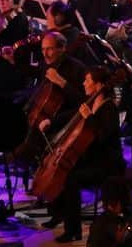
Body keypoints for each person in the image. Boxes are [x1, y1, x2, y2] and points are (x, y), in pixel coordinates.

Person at [46, 67, 125, 243]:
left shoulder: (109, 108)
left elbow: (103, 137)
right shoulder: (92, 102)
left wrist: (89, 118)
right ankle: (60, 216)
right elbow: (72, 114)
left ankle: (72, 230)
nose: (83, 83)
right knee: (64, 172)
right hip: (94, 159)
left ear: (98, 86)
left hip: (108, 164)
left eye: (87, 80)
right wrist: (51, 121)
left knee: (70, 179)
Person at [13, 31, 88, 166]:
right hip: (45, 116)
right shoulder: (47, 65)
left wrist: (62, 83)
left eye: (49, 49)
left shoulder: (78, 68)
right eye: (43, 49)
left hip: (64, 118)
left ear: (62, 48)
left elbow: (82, 101)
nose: (45, 54)